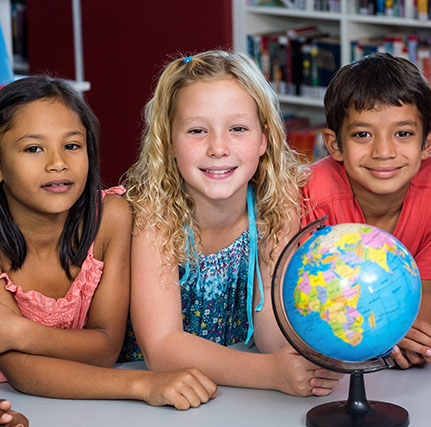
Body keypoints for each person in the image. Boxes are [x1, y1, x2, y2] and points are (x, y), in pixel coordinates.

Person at [123, 50, 343, 396]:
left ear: (263, 140)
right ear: (168, 143)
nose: (218, 148)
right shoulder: (153, 212)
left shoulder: (276, 202)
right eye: (197, 130)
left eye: (238, 128)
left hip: (232, 394)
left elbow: (271, 321)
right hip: (153, 395)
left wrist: (301, 359)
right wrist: (271, 373)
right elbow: (161, 347)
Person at [0, 76, 216, 409]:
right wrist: (144, 384)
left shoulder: (110, 218)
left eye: (72, 145)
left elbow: (104, 348)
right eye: (33, 148)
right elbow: (20, 369)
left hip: (82, 400)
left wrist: (17, 333)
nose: (58, 163)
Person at [301, 53, 431, 369]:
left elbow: (426, 293)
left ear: (428, 142)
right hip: (324, 353)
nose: (384, 152)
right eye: (363, 134)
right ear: (334, 145)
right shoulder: (312, 194)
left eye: (403, 133)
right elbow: (302, 302)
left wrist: (412, 336)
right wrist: (381, 337)